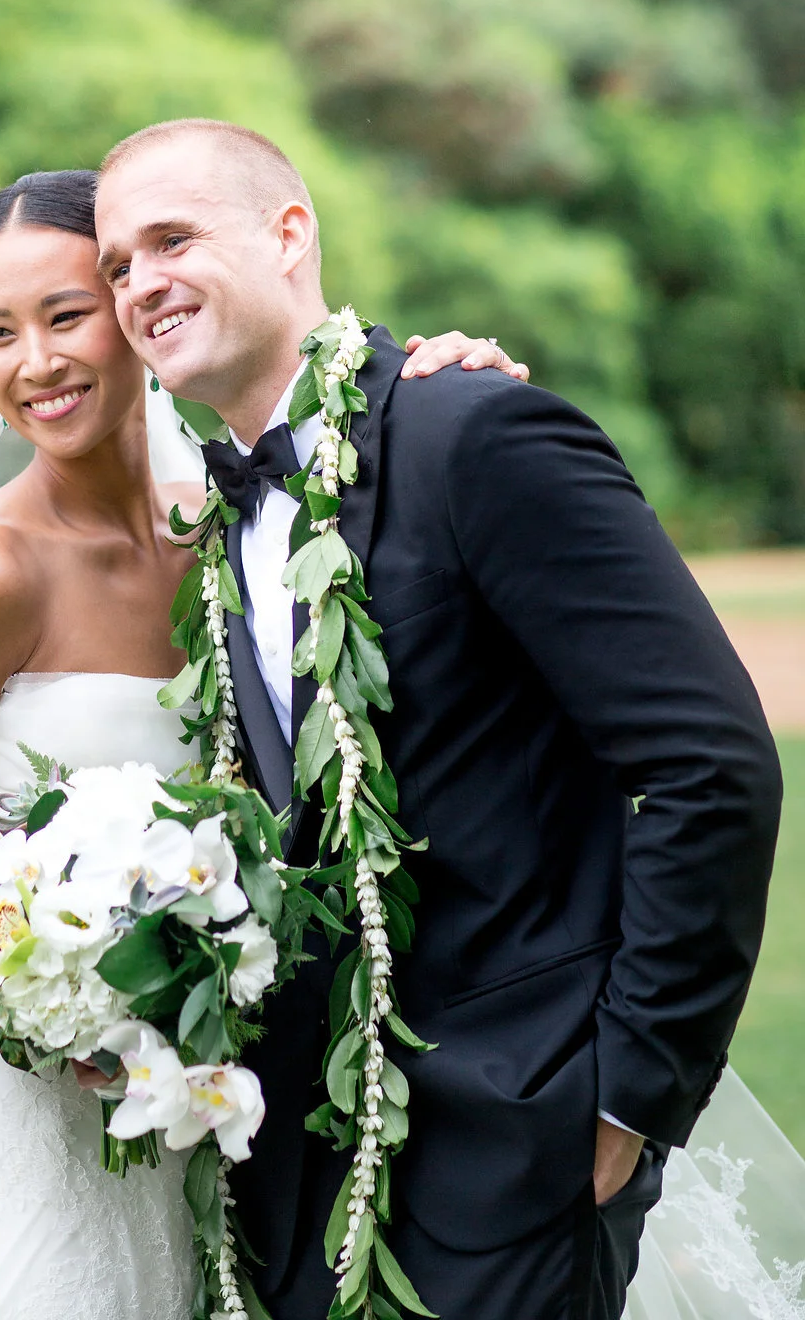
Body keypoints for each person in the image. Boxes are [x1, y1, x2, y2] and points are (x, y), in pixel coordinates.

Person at [94, 118, 789, 1320]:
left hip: (522, 1135)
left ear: (289, 233)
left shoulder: (473, 431)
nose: (139, 283)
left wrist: (627, 1095)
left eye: (172, 240)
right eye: (115, 266)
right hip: (303, 1165)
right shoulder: (213, 523)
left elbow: (708, 763)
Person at [0, 166, 522, 1320]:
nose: (35, 362)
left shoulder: (235, 523)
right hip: (58, 1129)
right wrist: (50, 1000)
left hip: (253, 1097)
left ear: (137, 306)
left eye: (65, 314)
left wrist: (450, 385)